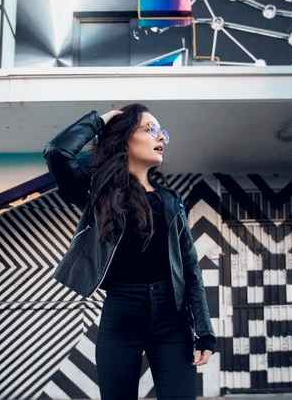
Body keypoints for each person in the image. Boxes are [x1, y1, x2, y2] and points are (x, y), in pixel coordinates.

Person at [42, 103, 216, 399]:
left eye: (163, 132)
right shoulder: (98, 192)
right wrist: (104, 120)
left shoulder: (171, 202)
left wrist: (205, 331)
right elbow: (58, 152)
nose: (161, 138)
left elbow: (190, 270)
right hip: (121, 314)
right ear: (124, 138)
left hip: (172, 320)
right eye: (150, 129)